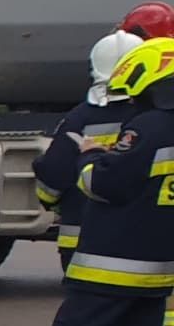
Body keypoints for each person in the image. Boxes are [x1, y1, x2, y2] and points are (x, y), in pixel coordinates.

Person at [5, 37, 174, 326]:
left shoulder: (147, 127)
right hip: (160, 262)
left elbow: (105, 184)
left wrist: (90, 157)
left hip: (113, 257)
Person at [36, 31, 144, 277]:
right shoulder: (156, 119)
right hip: (142, 240)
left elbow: (53, 175)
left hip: (83, 246)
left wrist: (52, 201)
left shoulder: (79, 118)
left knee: (89, 313)